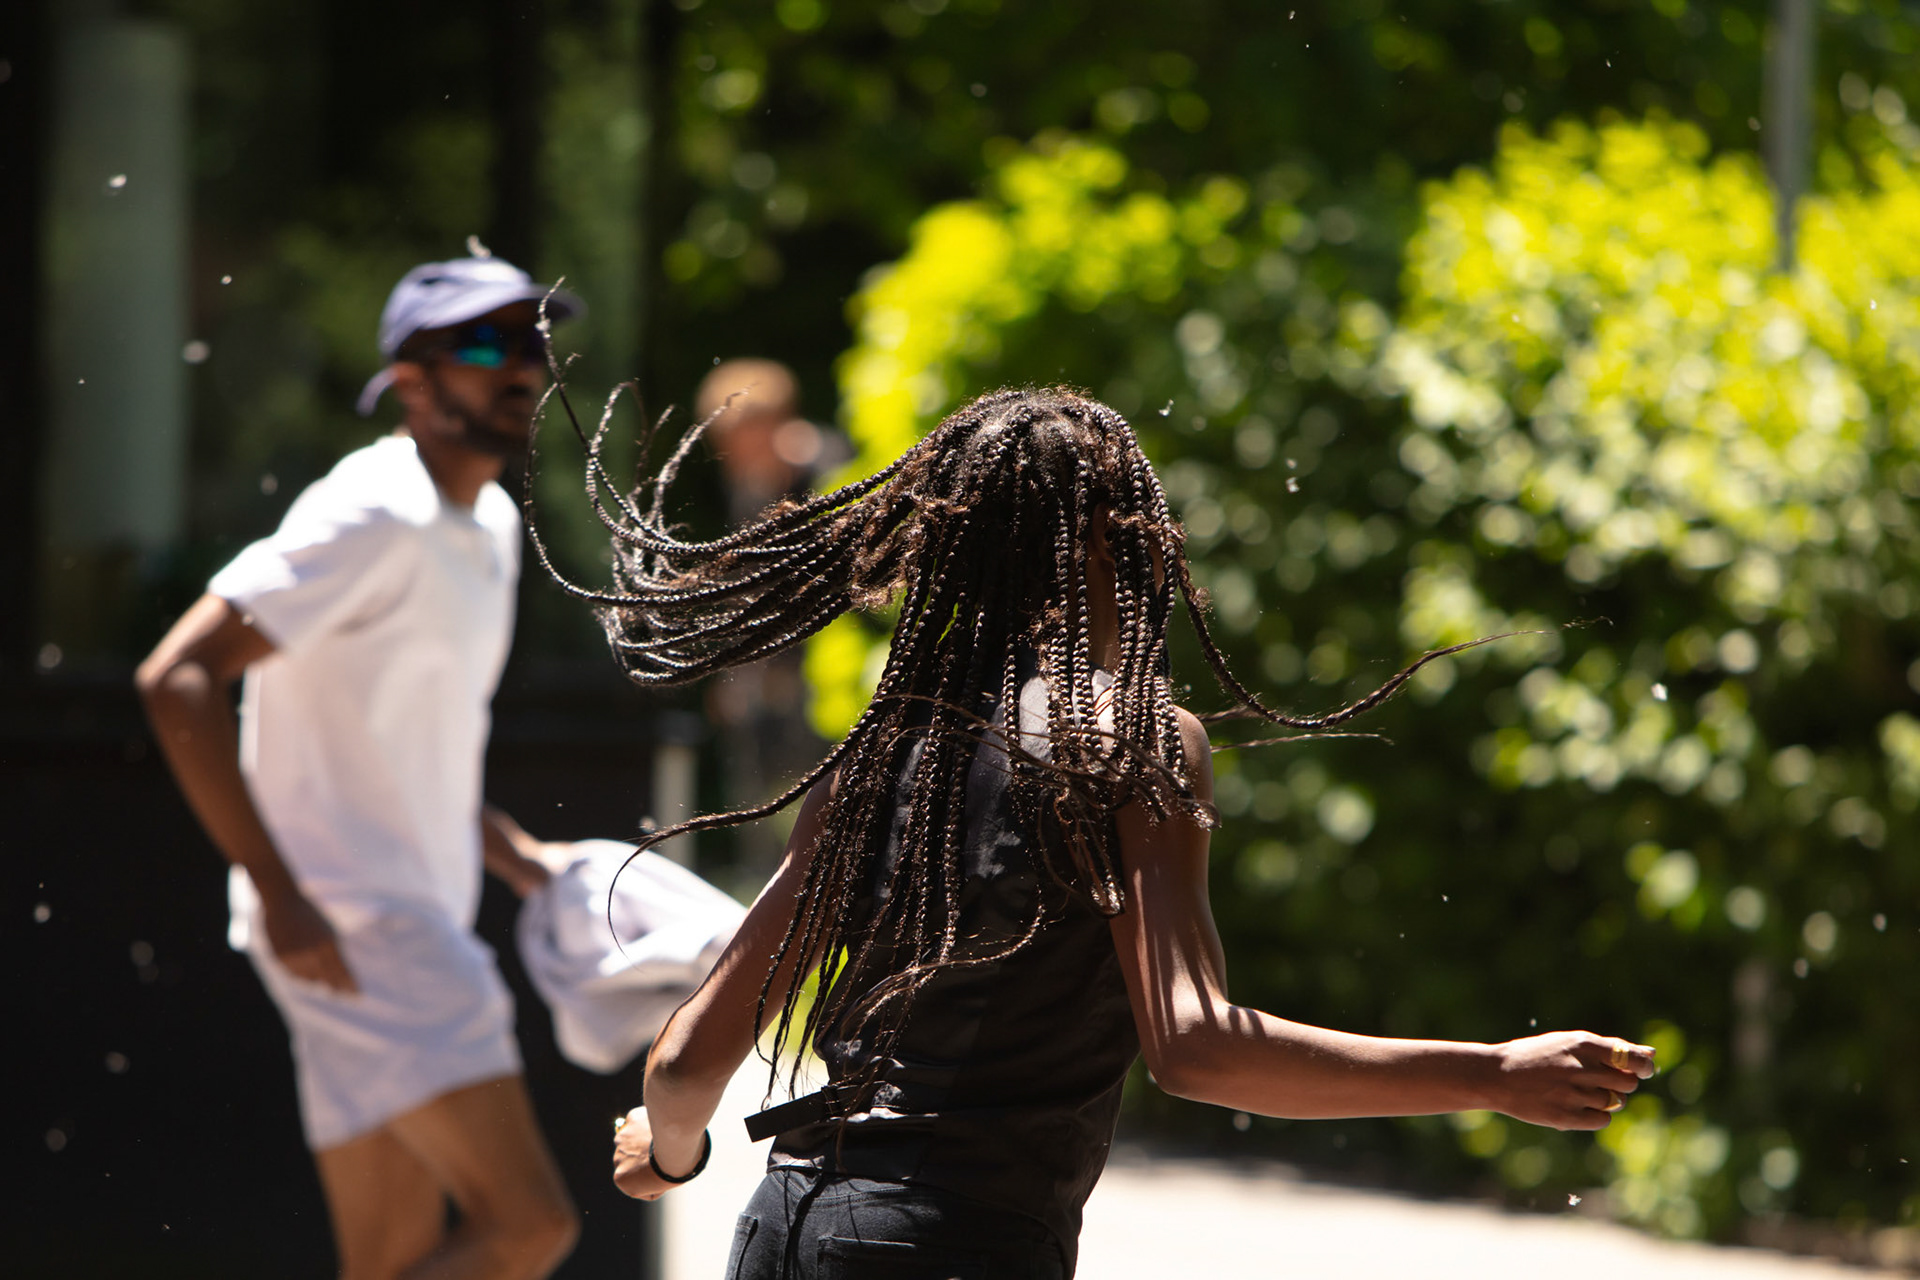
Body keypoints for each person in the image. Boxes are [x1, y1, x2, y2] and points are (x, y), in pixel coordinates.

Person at [581, 387, 1655, 1278]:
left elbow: (684, 1063)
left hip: (784, 1231)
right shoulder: (1128, 743)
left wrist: (670, 1155)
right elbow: (1195, 1045)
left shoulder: (880, 751)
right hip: (955, 1243)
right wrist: (1491, 1073)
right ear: (1115, 536)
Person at [137, 252, 583, 1280]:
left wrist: (515, 857)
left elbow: (408, 744)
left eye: (533, 341)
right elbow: (178, 678)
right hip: (363, 929)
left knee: (392, 1260)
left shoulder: (491, 525)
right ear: (410, 380)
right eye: (484, 344)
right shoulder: (375, 509)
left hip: (384, 921)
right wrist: (276, 885)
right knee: (530, 1226)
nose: (520, 366)